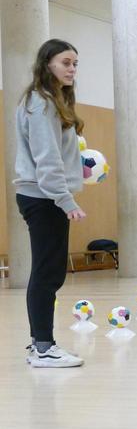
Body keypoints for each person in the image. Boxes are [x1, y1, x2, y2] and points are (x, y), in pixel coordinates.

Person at [15, 39, 86, 368]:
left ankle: (39, 344)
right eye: (65, 62)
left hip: (45, 196)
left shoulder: (47, 101)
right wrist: (65, 198)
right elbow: (46, 158)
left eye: (74, 63)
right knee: (47, 273)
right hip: (44, 198)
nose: (72, 69)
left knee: (49, 272)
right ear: (47, 65)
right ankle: (43, 347)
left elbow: (54, 152)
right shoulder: (41, 102)